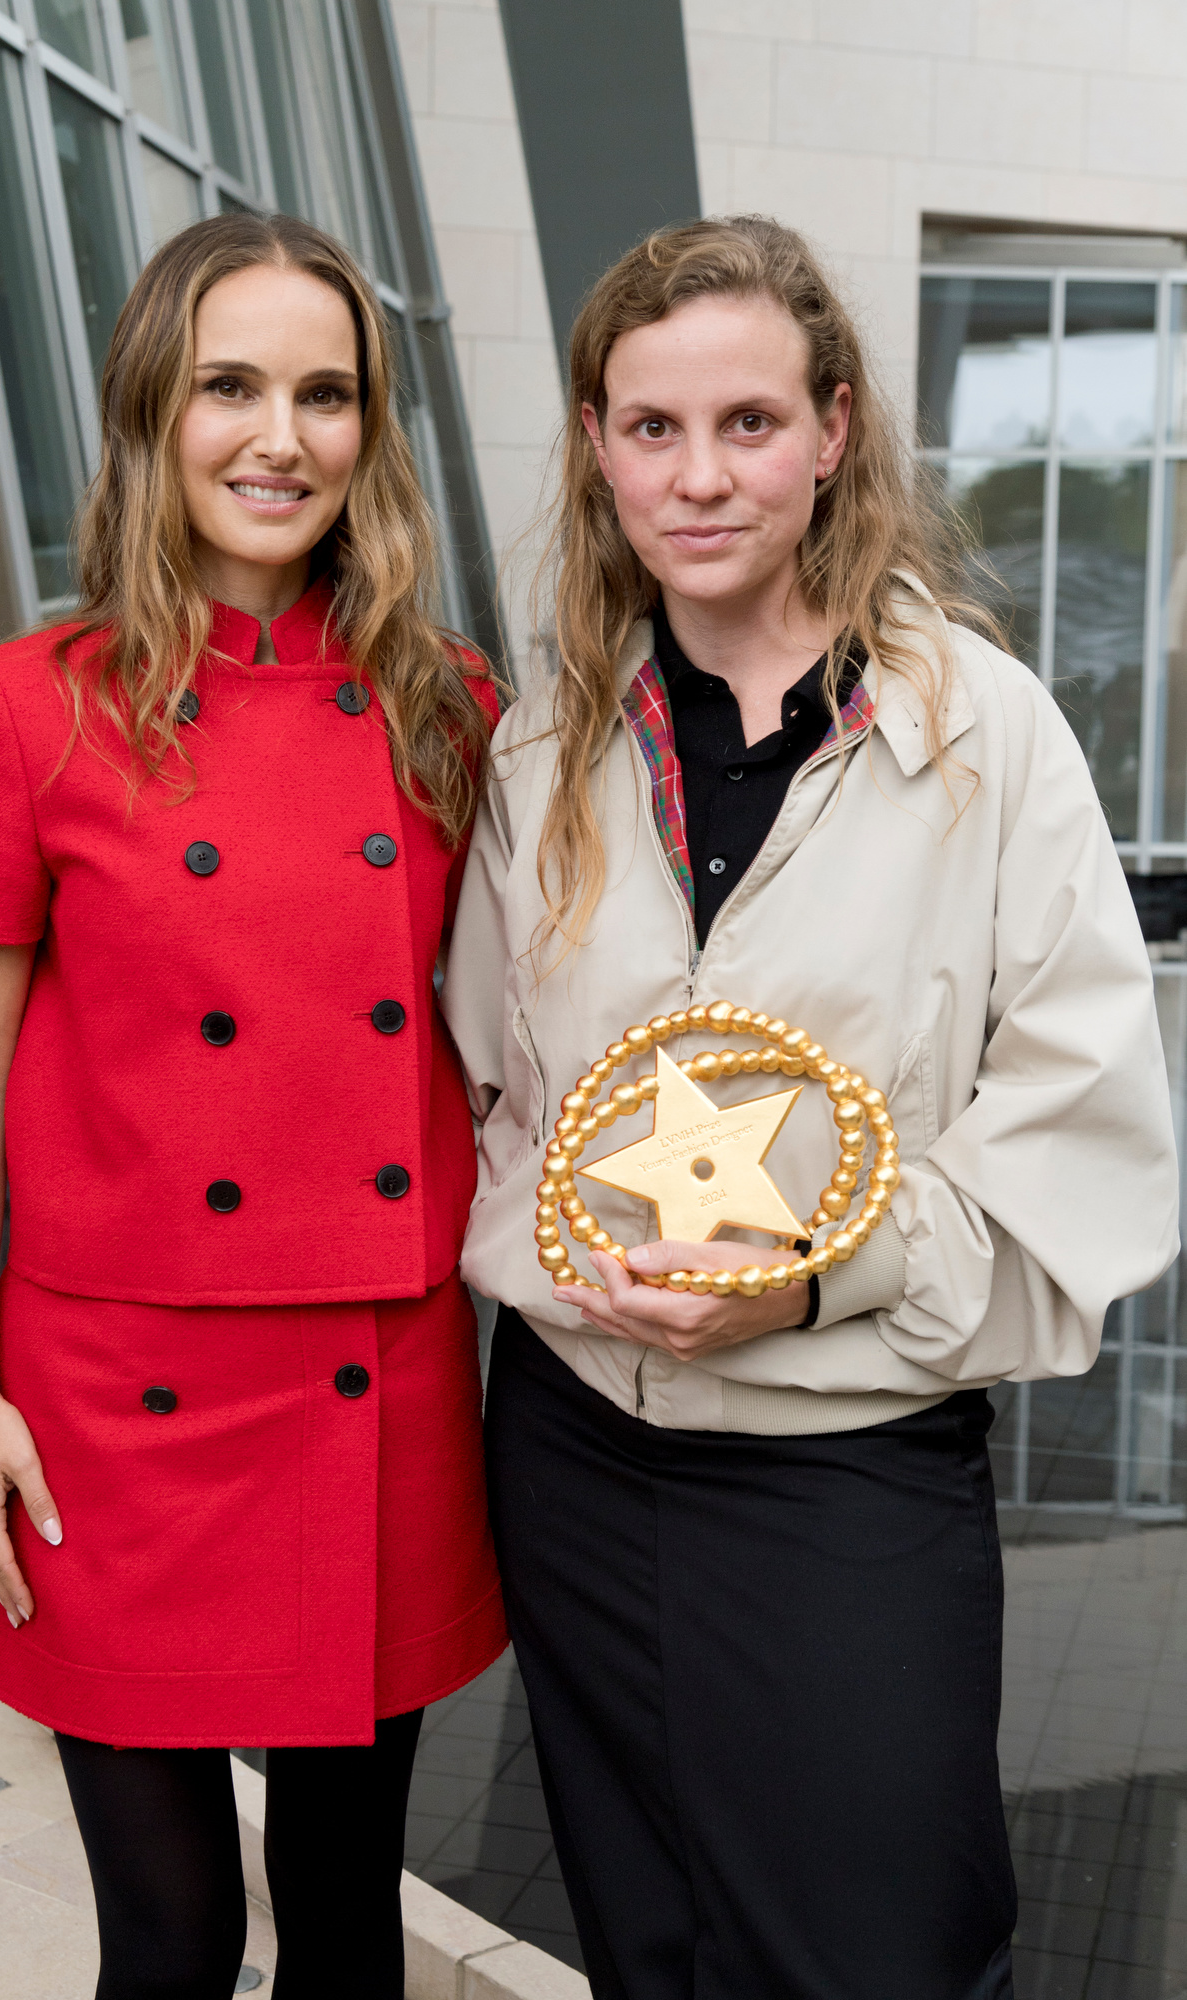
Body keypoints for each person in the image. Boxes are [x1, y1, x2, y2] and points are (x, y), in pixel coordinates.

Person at [441, 215, 1180, 2000]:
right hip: (574, 1454)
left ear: (835, 428)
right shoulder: (544, 746)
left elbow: (1082, 1133)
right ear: (598, 443)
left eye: (751, 424)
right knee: (649, 1937)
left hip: (839, 1465)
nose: (700, 479)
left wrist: (802, 1282)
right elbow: (495, 1084)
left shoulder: (986, 736)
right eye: (652, 429)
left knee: (881, 1952)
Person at [0, 212, 506, 2000]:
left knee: (345, 1921)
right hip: (119, 1406)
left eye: (326, 395)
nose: (282, 437)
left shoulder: (449, 705)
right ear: (151, 412)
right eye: (229, 386)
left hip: (369, 1386)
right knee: (165, 1940)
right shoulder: (23, 709)